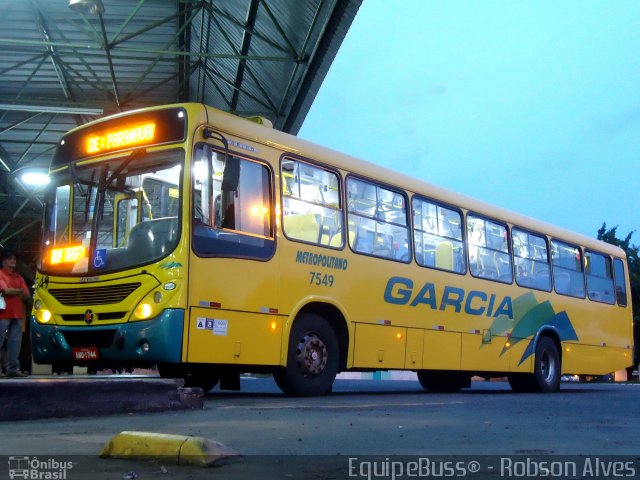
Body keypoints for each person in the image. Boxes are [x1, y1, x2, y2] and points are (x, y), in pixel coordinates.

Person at [0, 250, 30, 378]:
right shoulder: (1, 275)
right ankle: (11, 369)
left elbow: (27, 295)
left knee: (15, 343)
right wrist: (19, 291)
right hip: (2, 314)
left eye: (14, 258)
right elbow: (6, 291)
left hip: (17, 314)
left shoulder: (19, 277)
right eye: (10, 258)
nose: (14, 260)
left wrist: (15, 291)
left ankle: (13, 369)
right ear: (3, 261)